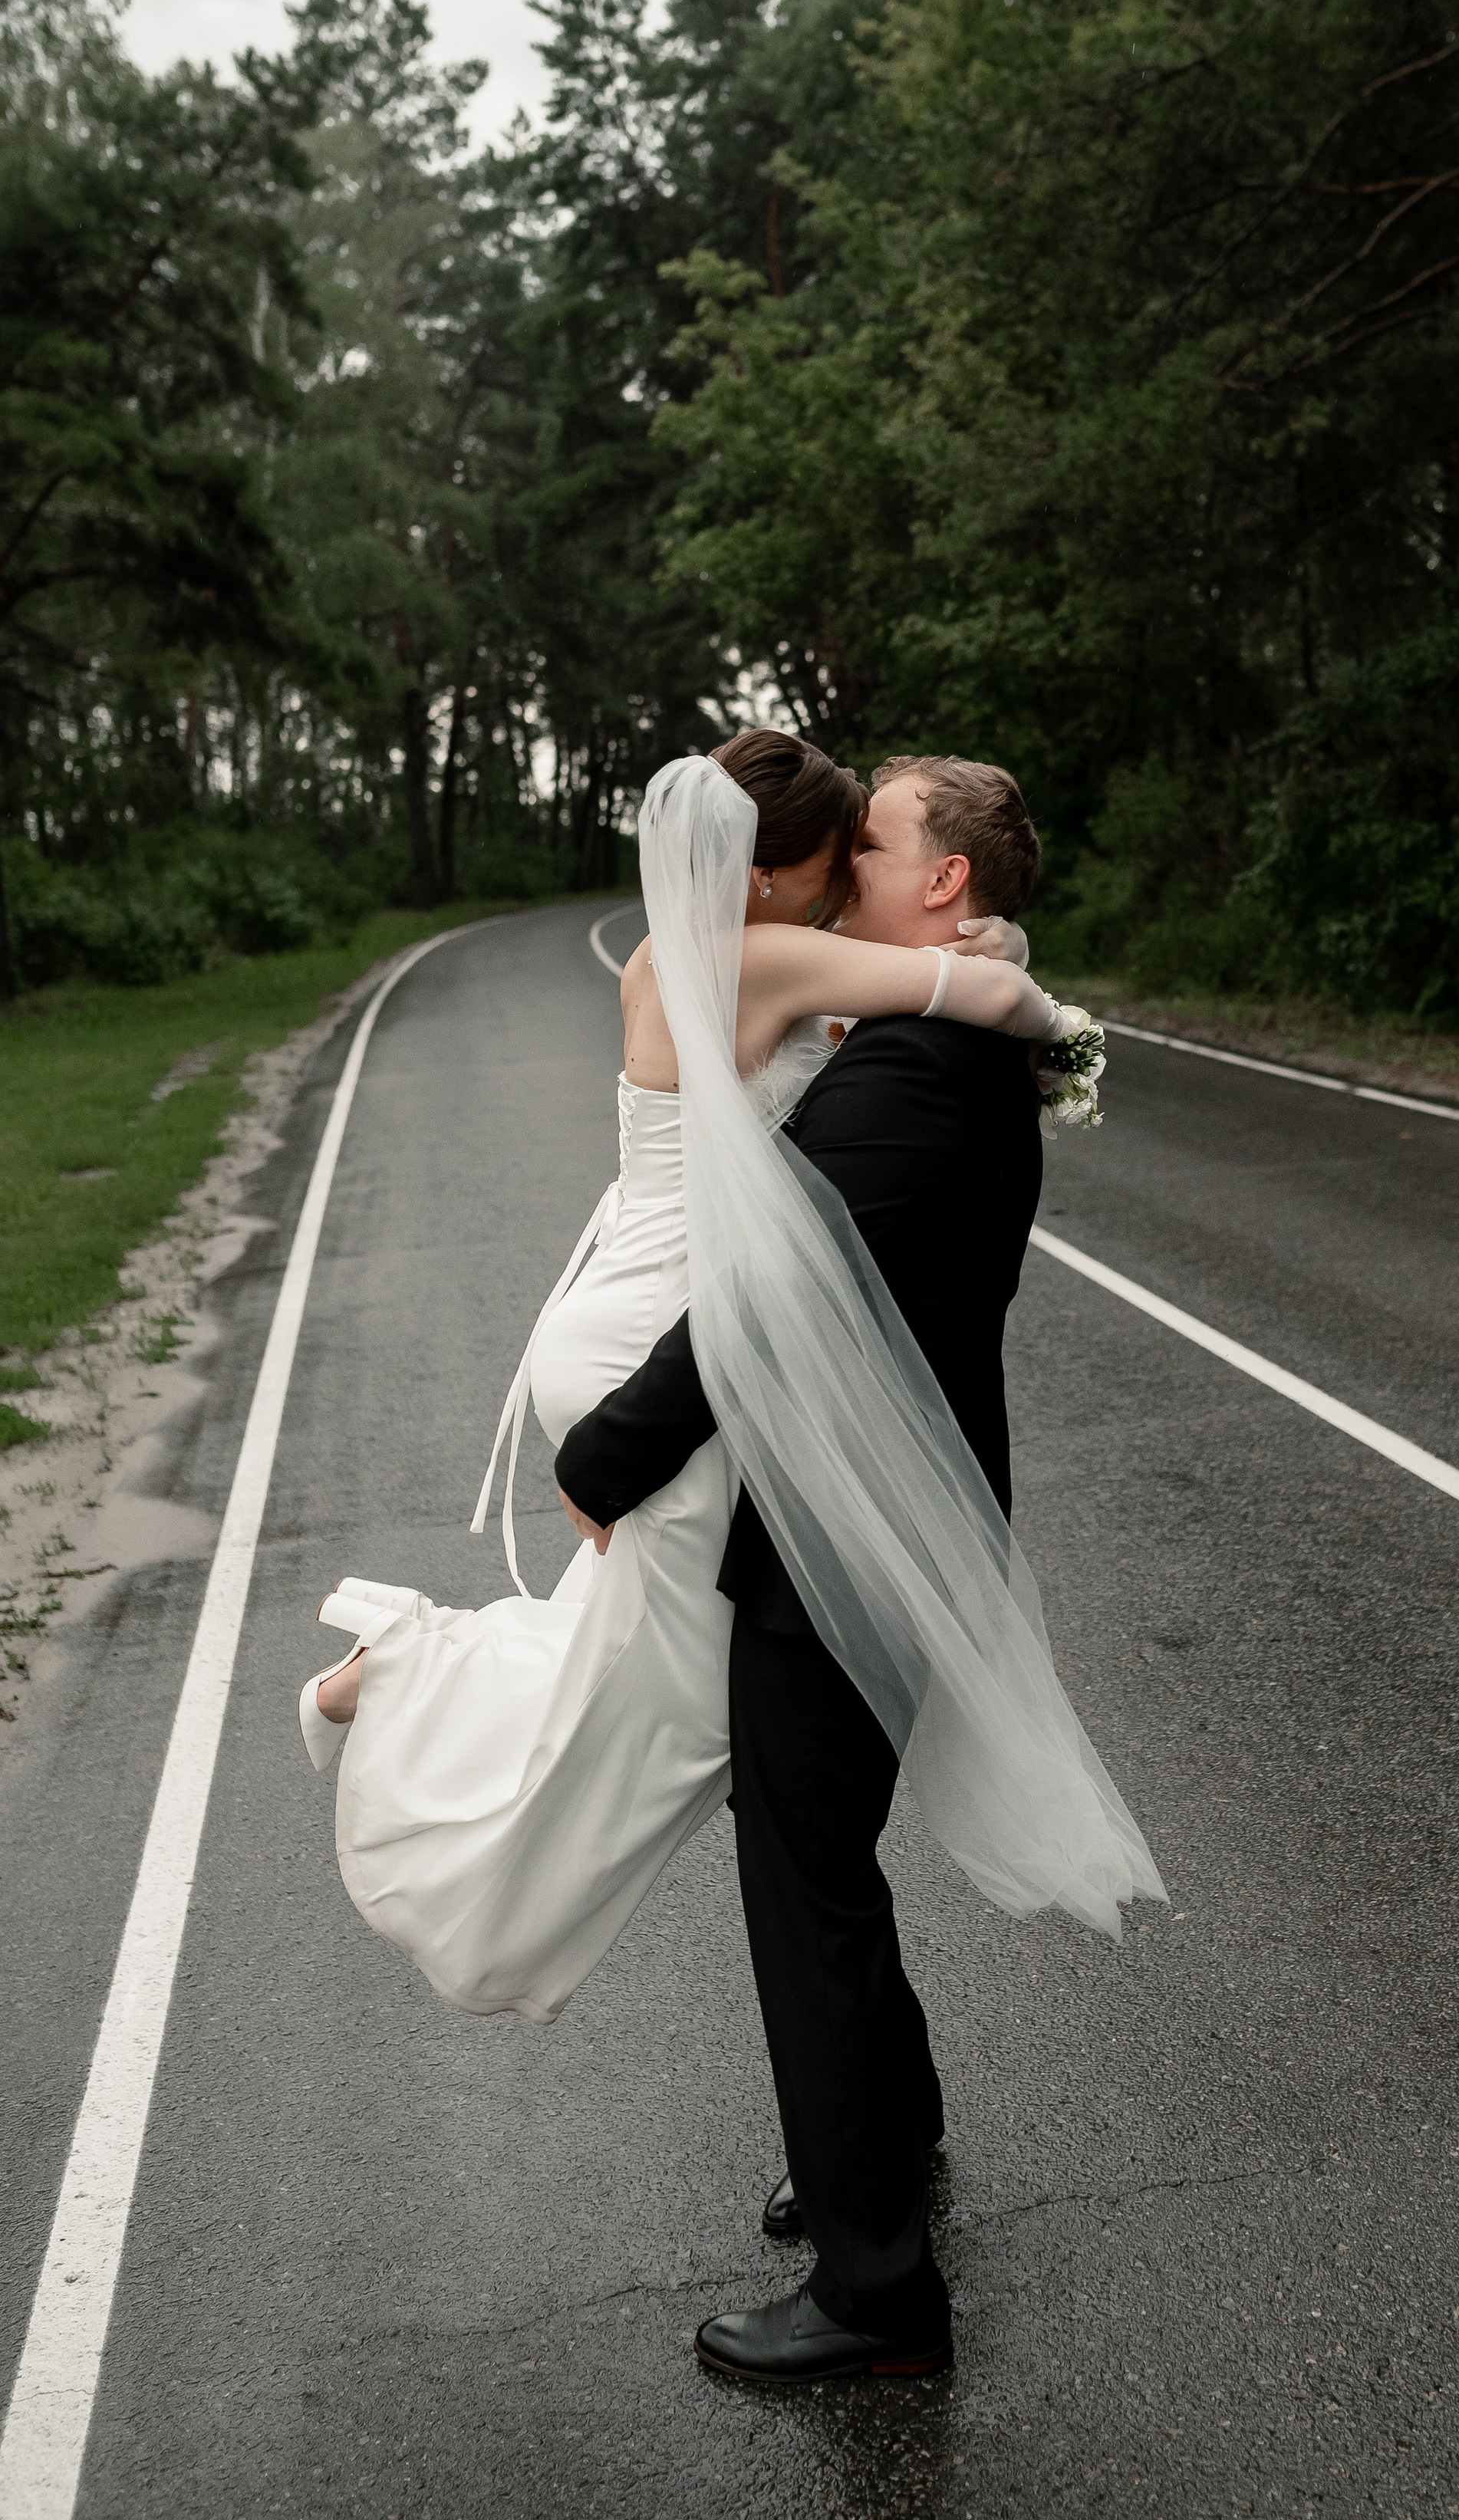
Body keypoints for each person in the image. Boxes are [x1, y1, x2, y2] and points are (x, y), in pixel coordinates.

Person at [553, 755, 1164, 2387]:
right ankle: (879, 2142)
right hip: (881, 1512)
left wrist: (604, 1451)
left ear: (942, 884)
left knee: (804, 1881)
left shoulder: (914, 1072)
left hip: (853, 1536)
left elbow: (776, 1285)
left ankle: (875, 2287)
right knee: (814, 1849)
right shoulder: (934, 1036)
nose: (841, 875)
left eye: (872, 844)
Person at [295, 730, 1065, 2025]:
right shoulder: (767, 955)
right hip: (667, 1331)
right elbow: (987, 1005)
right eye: (835, 859)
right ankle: (409, 1678)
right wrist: (1039, 996)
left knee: (668, 1656)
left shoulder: (672, 956)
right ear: (769, 874)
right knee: (714, 1698)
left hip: (610, 1307)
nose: (839, 886)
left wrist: (953, 951)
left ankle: (421, 1683)